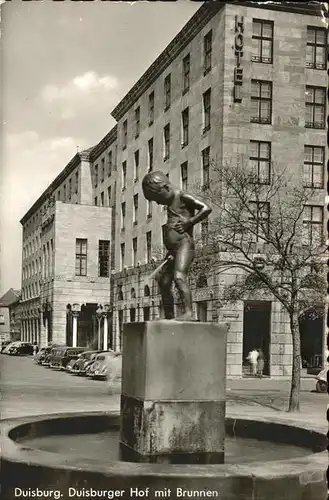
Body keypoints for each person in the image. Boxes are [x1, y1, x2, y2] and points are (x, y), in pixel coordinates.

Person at [142, 171, 212, 321]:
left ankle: (189, 313)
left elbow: (206, 208)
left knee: (179, 276)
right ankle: (169, 316)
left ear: (166, 188)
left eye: (158, 199)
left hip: (185, 245)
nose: (158, 203)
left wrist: (190, 222)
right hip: (173, 250)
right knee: (163, 281)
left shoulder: (182, 196)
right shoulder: (169, 202)